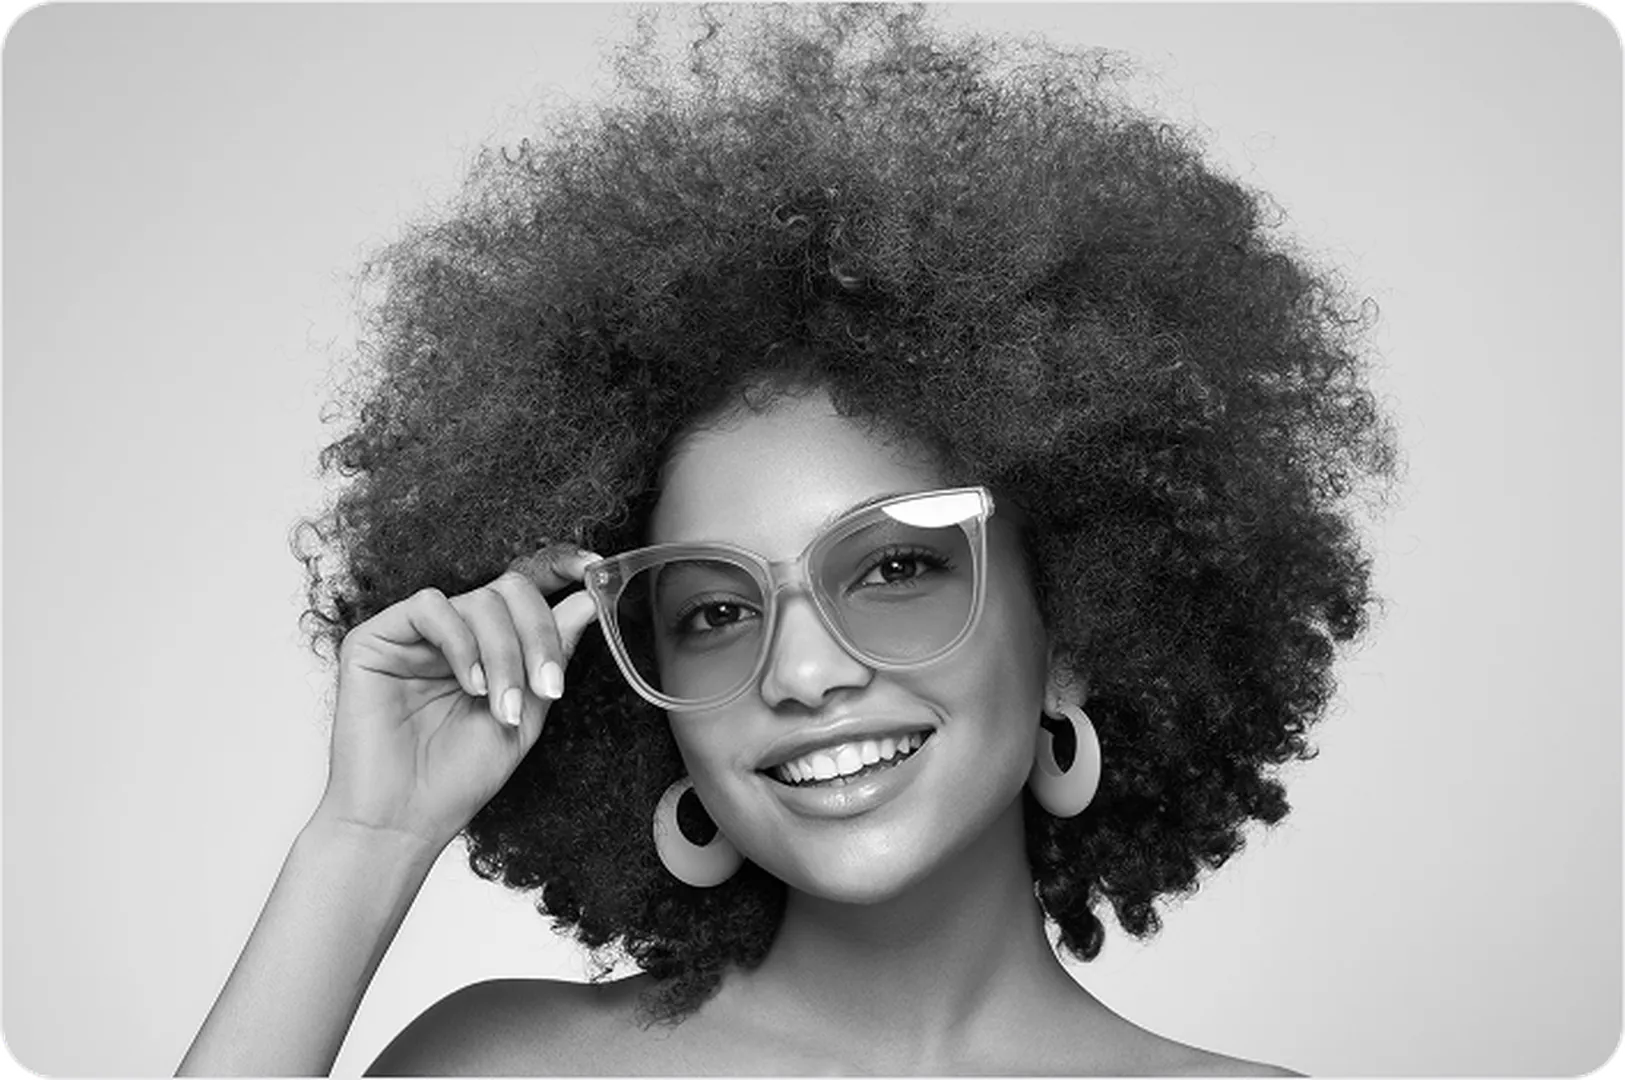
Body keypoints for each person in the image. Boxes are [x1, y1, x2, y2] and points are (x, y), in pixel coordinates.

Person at [180, 6, 1395, 1075]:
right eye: (712, 612)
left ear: (1070, 631)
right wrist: (367, 840)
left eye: (897, 567)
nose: (802, 674)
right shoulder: (503, 1066)